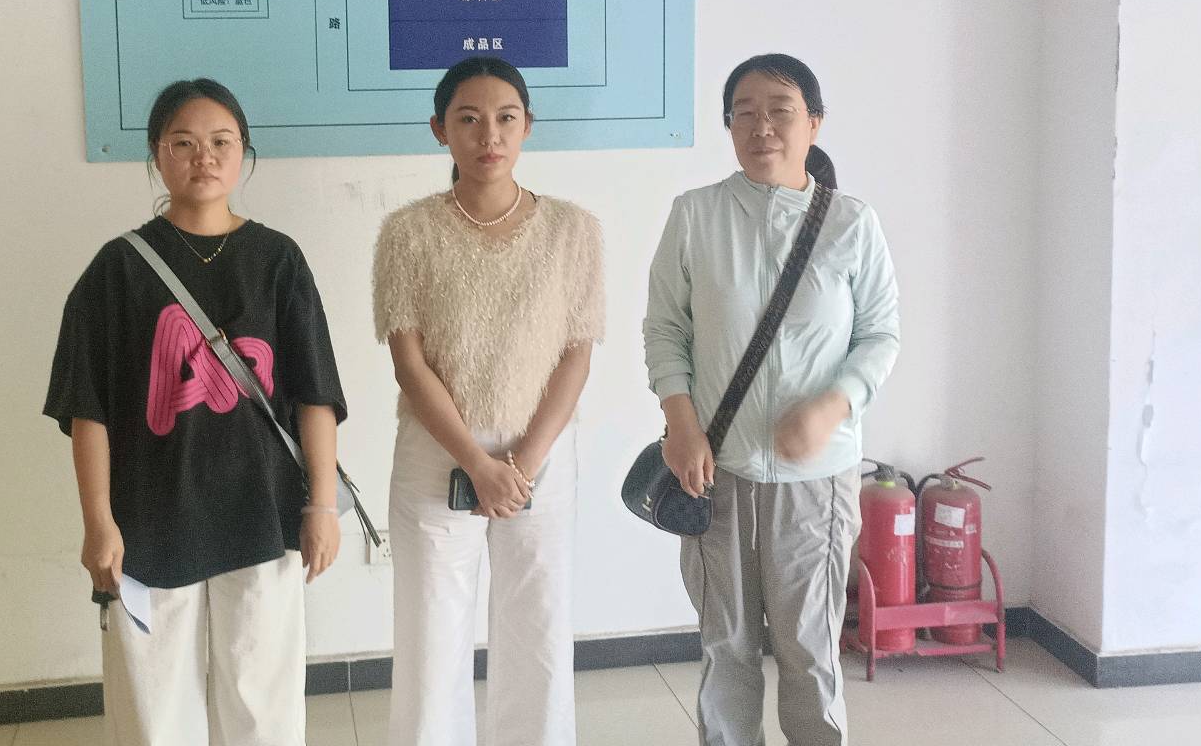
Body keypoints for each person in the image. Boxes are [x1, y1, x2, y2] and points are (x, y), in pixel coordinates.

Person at [44, 78, 348, 746]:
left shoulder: (278, 260)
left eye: (220, 142)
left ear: (244, 152)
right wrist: (98, 522)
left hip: (261, 511)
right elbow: (87, 409)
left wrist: (322, 506)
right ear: (157, 153)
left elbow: (315, 393)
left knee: (262, 707)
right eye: (183, 143)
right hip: (149, 517)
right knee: (153, 710)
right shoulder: (117, 270)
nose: (203, 157)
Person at [643, 54, 900, 746]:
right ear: (728, 126)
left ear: (814, 123)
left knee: (809, 648)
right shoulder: (695, 215)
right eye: (745, 113)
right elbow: (665, 329)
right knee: (725, 644)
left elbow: (880, 336)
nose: (762, 127)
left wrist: (833, 406)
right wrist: (680, 423)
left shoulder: (851, 223)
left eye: (780, 111)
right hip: (714, 470)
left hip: (817, 481)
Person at [372, 56, 605, 746]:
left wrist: (523, 463)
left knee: (539, 628)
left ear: (528, 125)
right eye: (468, 119)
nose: (489, 135)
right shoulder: (407, 232)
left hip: (542, 454)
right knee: (431, 635)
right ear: (440, 129)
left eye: (505, 118)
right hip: (437, 454)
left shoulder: (573, 230)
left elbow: (578, 352)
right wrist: (477, 463)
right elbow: (409, 363)